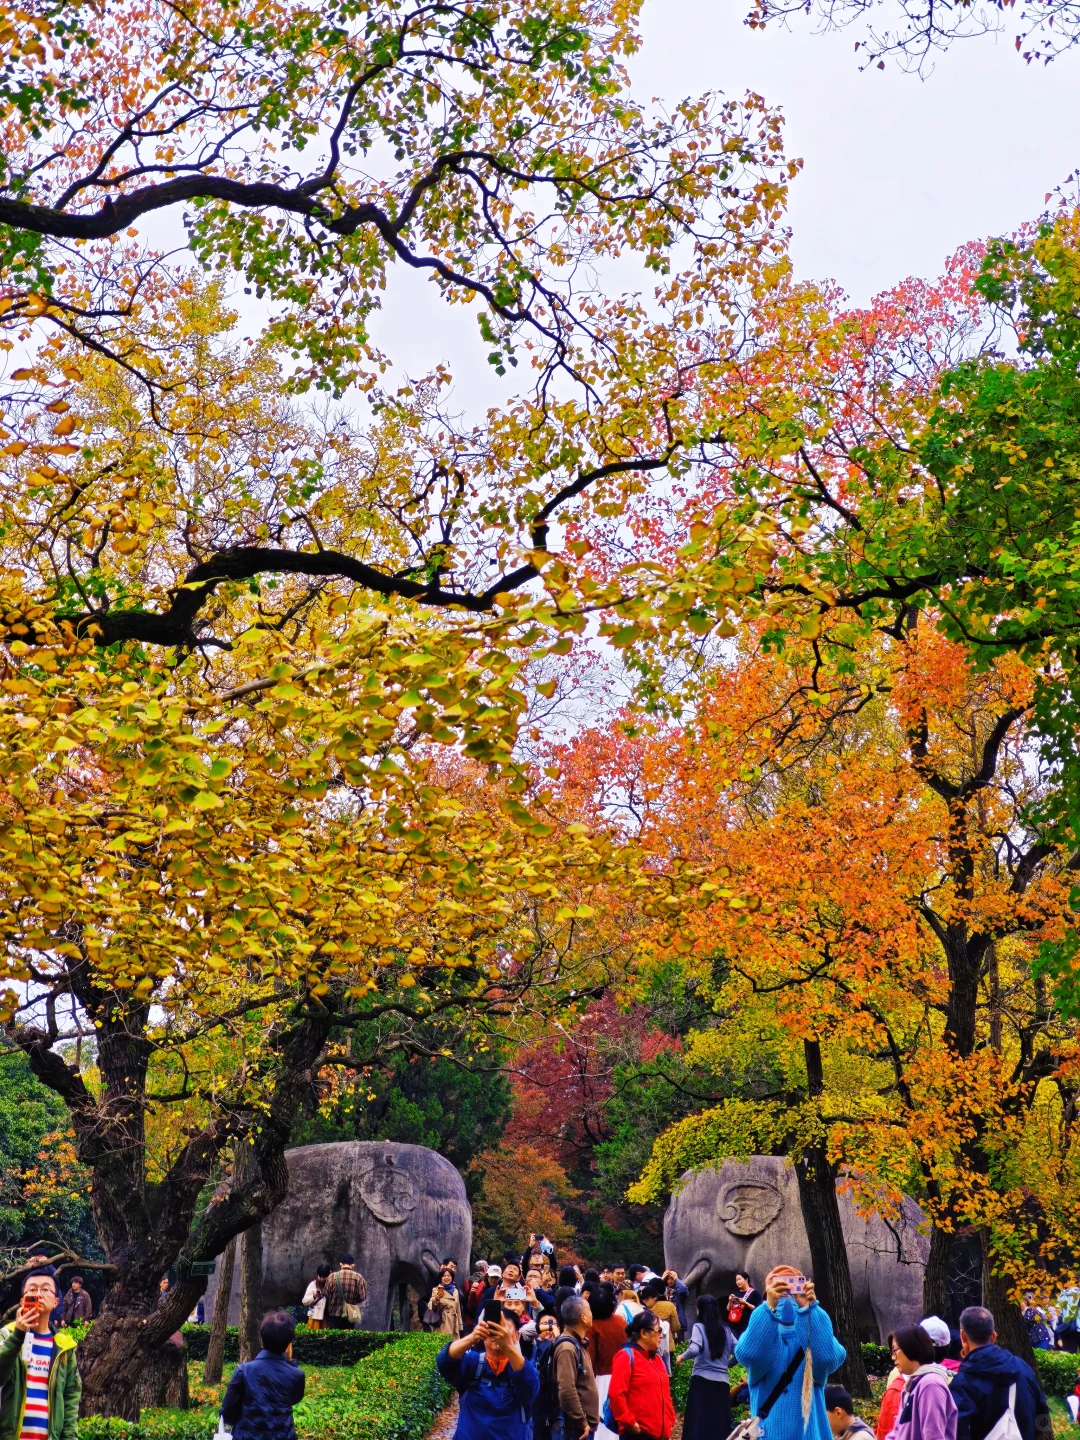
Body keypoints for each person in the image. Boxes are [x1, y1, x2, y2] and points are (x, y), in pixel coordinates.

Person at [735, 1265, 846, 1440]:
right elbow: (749, 1354)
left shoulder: (812, 1338)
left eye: (792, 1291)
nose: (786, 1299)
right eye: (778, 1292)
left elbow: (828, 1358)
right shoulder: (763, 1338)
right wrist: (767, 1309)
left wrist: (811, 1309)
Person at [437, 1307, 541, 1440]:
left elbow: (530, 1388)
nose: (498, 1333)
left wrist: (508, 1347)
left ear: (517, 1336)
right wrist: (473, 1337)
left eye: (504, 1328)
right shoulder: (473, 1364)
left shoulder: (521, 1368)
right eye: (493, 1327)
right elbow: (444, 1362)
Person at [0, 1270, 81, 1440]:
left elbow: (71, 1398)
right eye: (32, 1290)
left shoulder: (64, 1347)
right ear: (23, 1300)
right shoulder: (7, 1335)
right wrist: (18, 1336)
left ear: (56, 1302)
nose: (38, 1294)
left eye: (45, 1290)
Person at [948, 1306, 1050, 1440]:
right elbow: (1042, 1412)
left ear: (963, 1336)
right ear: (993, 1336)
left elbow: (958, 1431)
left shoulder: (962, 1382)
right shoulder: (1023, 1367)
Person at [220, 1309, 306, 1440]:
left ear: (262, 1338)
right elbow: (293, 1399)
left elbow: (227, 1412)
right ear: (289, 1343)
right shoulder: (297, 1375)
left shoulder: (244, 1371)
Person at [607, 1310, 675, 1440]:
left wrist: (670, 1419)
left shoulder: (657, 1359)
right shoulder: (626, 1356)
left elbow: (665, 1393)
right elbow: (616, 1394)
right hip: (638, 1434)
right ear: (643, 1333)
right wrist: (630, 1423)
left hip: (661, 1434)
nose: (661, 1335)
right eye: (658, 1330)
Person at [676, 1293, 734, 1440]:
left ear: (699, 1310)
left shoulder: (699, 1327)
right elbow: (740, 1351)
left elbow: (695, 1349)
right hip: (722, 1383)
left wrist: (682, 1356)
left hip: (701, 1382)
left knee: (698, 1424)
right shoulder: (726, 1330)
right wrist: (727, 1365)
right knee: (719, 1425)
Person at [885, 1324, 956, 1440]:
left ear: (910, 1347)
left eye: (895, 1351)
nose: (893, 1357)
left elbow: (933, 1436)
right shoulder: (912, 1385)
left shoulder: (931, 1385)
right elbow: (897, 1433)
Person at [551, 1296, 598, 1440]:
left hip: (582, 1425)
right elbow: (566, 1389)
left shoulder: (577, 1343)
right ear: (583, 1317)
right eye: (589, 1310)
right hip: (576, 1428)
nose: (592, 1314)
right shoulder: (567, 1348)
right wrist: (581, 1421)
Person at [325, 1255, 368, 1330]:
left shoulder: (331, 1277)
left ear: (340, 1264)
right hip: (350, 1315)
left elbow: (326, 1294)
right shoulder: (359, 1278)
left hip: (334, 1315)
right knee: (347, 1339)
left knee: (333, 1339)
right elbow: (362, 1297)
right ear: (353, 1265)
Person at [426, 1269, 464, 1337]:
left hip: (455, 1323)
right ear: (441, 1278)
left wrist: (460, 1325)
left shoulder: (455, 1290)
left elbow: (458, 1309)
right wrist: (437, 1297)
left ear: (452, 1277)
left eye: (448, 1276)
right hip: (443, 1322)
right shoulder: (436, 1290)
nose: (446, 1278)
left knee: (454, 1345)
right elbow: (431, 1306)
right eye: (444, 1276)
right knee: (445, 1344)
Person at [302, 1263, 332, 1330]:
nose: (321, 1279)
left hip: (329, 1318)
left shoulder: (333, 1285)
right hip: (315, 1317)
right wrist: (313, 1296)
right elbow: (304, 1302)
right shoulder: (313, 1284)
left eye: (324, 1277)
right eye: (320, 1276)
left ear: (330, 1273)